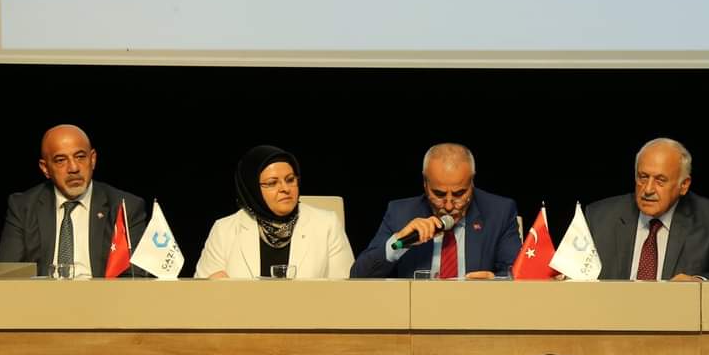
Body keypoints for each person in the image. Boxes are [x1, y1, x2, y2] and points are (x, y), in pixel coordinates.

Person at [0, 124, 148, 277]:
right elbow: (7, 274)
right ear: (45, 168)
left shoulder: (125, 206)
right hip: (42, 292)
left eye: (80, 157)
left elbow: (136, 276)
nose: (74, 168)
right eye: (61, 160)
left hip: (101, 291)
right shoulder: (23, 207)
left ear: (93, 159)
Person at [351, 143, 521, 279]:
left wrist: (496, 281)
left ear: (472, 183)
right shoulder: (400, 212)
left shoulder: (500, 212)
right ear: (425, 184)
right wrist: (399, 242)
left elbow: (519, 274)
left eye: (459, 194)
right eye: (439, 194)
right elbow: (358, 276)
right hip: (417, 309)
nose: (449, 206)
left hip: (477, 307)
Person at [585, 138, 709, 281]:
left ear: (684, 185)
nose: (648, 189)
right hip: (614, 304)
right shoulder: (599, 217)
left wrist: (696, 281)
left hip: (678, 305)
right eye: (643, 177)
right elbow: (574, 273)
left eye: (660, 180)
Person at [196, 145, 353, 279]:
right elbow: (202, 293)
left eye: (290, 180)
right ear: (253, 190)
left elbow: (346, 291)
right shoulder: (224, 230)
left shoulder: (326, 224)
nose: (285, 188)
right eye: (272, 183)